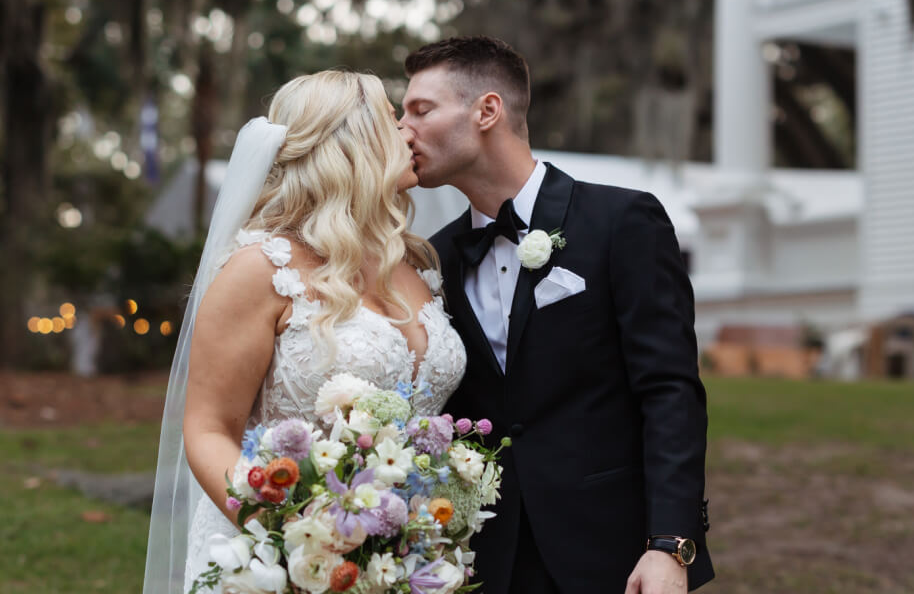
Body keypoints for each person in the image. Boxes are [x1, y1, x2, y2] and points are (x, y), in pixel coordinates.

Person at [400, 37, 714, 594]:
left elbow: (670, 392)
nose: (403, 129)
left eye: (420, 110)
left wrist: (670, 544)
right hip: (483, 560)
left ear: (487, 111)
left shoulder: (622, 221)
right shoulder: (432, 258)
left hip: (614, 555)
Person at [142, 70, 467, 593]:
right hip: (280, 559)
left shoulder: (415, 263)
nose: (409, 131)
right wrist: (292, 536)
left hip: (406, 559)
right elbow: (207, 431)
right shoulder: (261, 268)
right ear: (349, 142)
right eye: (392, 118)